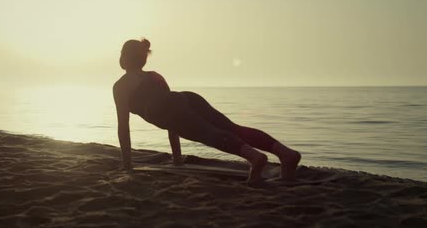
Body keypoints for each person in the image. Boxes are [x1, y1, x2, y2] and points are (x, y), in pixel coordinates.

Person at [112, 38, 301, 183]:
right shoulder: (155, 76)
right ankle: (285, 153)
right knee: (233, 128)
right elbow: (172, 111)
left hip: (170, 110)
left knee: (210, 134)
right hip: (187, 97)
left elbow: (124, 128)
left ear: (125, 57)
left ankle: (254, 157)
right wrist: (176, 158)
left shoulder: (121, 86)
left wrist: (128, 166)